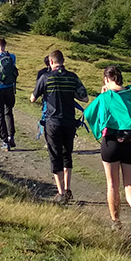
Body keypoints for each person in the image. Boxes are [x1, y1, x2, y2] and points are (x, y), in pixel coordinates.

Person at [83, 65, 131, 235]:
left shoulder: (106, 96)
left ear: (106, 79)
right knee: (130, 184)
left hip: (111, 143)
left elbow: (89, 113)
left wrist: (102, 95)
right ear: (120, 79)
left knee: (112, 184)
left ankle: (116, 222)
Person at [31, 50, 89, 204]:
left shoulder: (45, 77)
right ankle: (68, 189)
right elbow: (84, 97)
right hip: (70, 122)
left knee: (55, 156)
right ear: (63, 61)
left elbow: (32, 98)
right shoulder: (73, 77)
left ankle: (61, 192)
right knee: (67, 154)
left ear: (51, 62)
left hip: (53, 122)